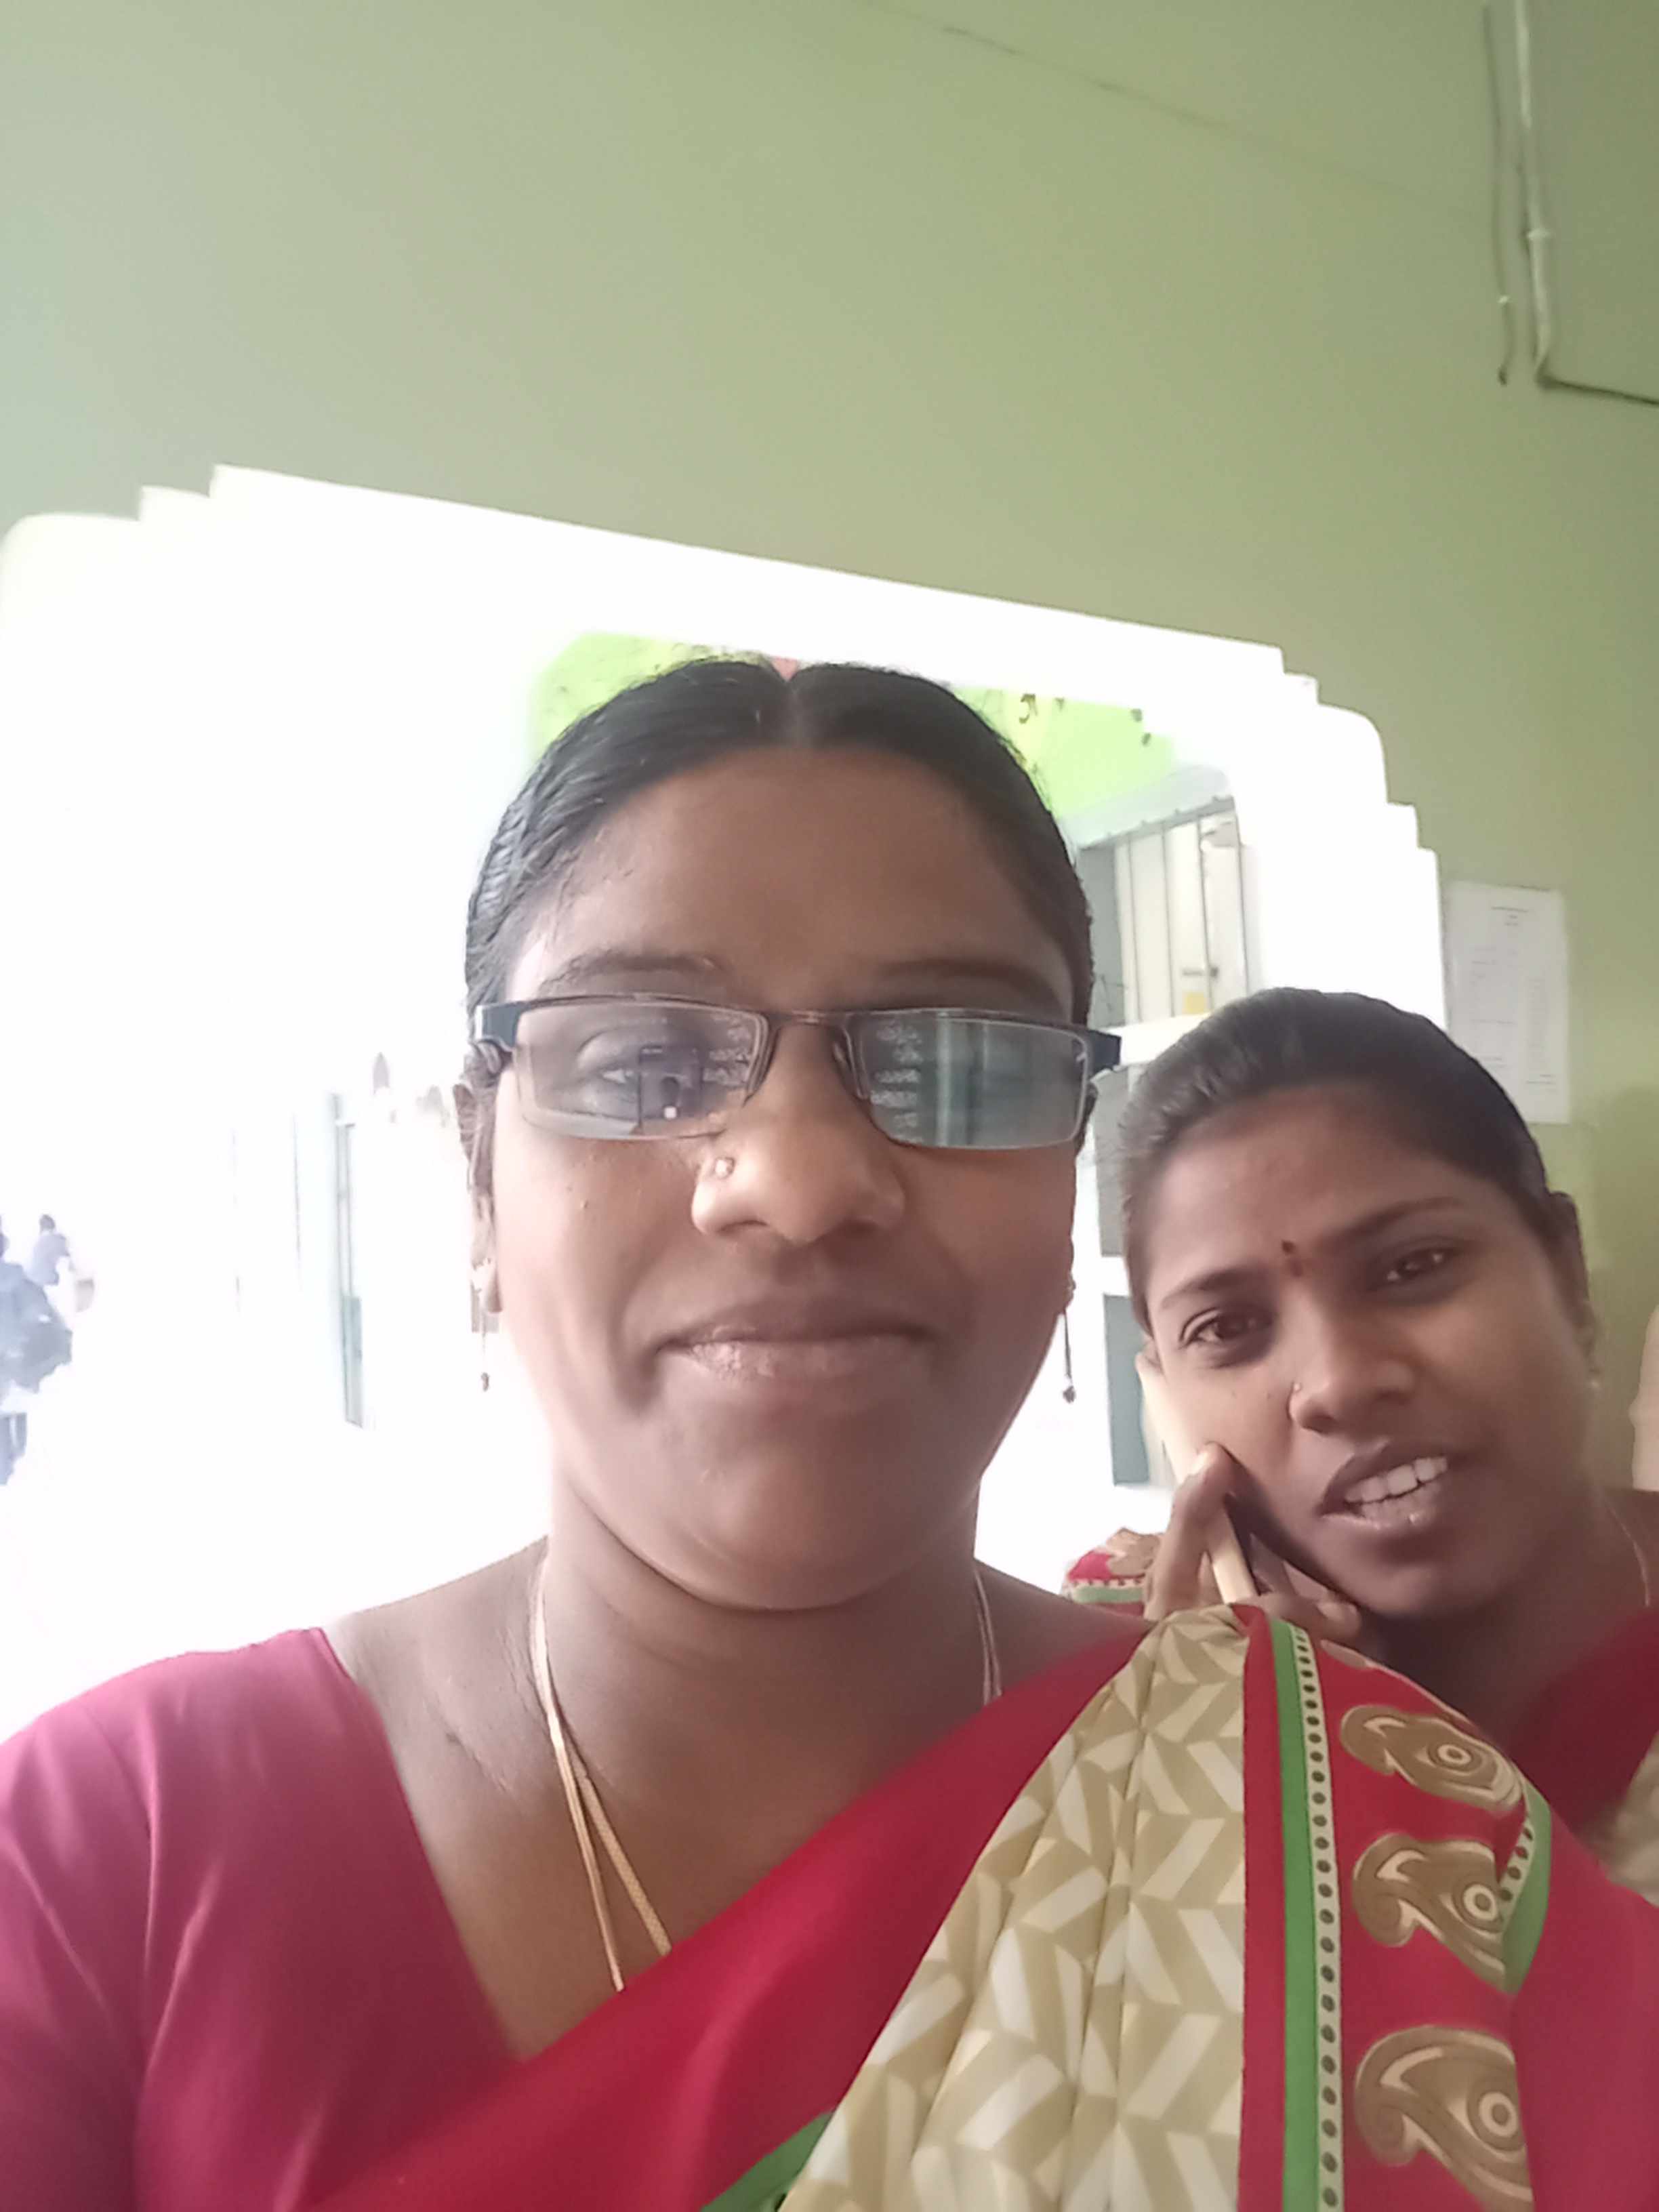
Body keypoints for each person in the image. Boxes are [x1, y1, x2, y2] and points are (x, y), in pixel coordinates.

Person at [3, 668, 1659, 2211]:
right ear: (478, 1182)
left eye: (953, 1062)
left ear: (1063, 1178)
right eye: (640, 1061)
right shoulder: (109, 1855)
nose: (794, 1183)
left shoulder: (1358, 1828)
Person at [1066, 987, 1659, 1903]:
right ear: (1167, 1390)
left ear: (1567, 1273)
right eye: (1228, 1328)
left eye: (1413, 1268)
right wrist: (1205, 1766)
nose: (1340, 1384)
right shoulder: (1097, 1687)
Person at [0, 1229, 72, 1483]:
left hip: (10, 1360)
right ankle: (10, 1463)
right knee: (13, 1407)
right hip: (15, 1359)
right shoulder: (18, 1279)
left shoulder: (17, 1279)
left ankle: (7, 1467)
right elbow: (38, 1310)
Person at [25, 1214, 70, 1290]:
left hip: (35, 1279)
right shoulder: (57, 1239)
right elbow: (67, 1256)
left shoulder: (38, 1241)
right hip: (46, 1280)